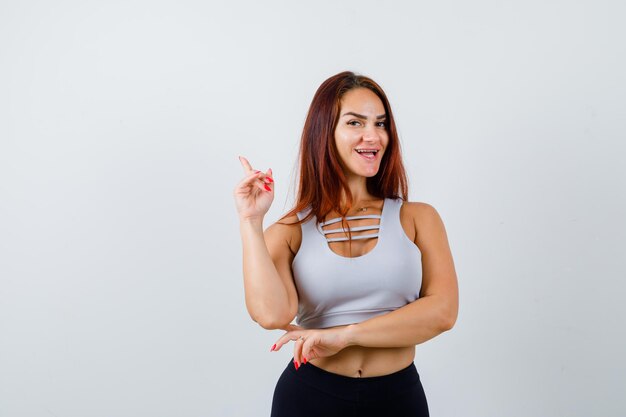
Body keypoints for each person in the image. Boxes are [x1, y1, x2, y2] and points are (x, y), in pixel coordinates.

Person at [233, 71, 458, 417]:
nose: (373, 136)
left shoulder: (418, 218)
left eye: (381, 124)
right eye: (356, 122)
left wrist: (345, 335)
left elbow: (442, 313)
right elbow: (271, 314)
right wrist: (251, 221)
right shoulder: (291, 230)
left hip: (397, 399)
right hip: (310, 397)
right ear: (325, 133)